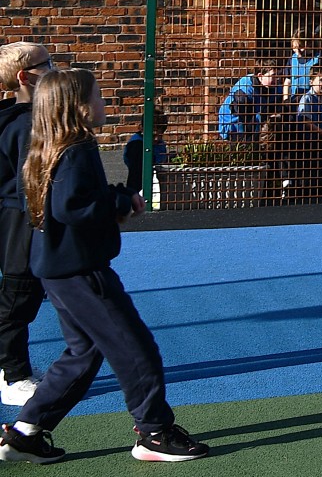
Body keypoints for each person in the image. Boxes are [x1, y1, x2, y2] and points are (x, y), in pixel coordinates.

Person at [0, 68, 209, 463]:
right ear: (77, 107)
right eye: (98, 97)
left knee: (84, 352)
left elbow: (65, 199)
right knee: (135, 348)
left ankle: (26, 432)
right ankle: (154, 432)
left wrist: (115, 193)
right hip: (82, 271)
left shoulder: (47, 145)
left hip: (57, 268)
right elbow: (72, 207)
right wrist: (117, 204)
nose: (104, 104)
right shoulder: (77, 147)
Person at [0, 43, 52, 407]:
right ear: (25, 77)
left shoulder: (23, 117)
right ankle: (11, 374)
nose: (55, 66)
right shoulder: (26, 123)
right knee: (18, 298)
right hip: (20, 217)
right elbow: (28, 184)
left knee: (23, 295)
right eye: (46, 63)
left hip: (18, 215)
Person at [216, 61, 277, 144]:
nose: (277, 79)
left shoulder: (272, 87)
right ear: (260, 76)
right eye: (273, 76)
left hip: (253, 121)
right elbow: (245, 119)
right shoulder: (243, 91)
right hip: (233, 125)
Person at [122, 104, 169, 192]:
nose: (157, 139)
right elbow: (135, 173)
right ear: (141, 128)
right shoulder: (136, 145)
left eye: (160, 135)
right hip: (139, 185)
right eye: (153, 135)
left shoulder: (160, 144)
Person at [282, 27, 322, 105]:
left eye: (300, 47)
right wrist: (286, 99)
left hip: (312, 101)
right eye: (294, 48)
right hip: (294, 101)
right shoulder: (292, 59)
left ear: (309, 44)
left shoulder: (317, 59)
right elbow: (287, 81)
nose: (297, 51)